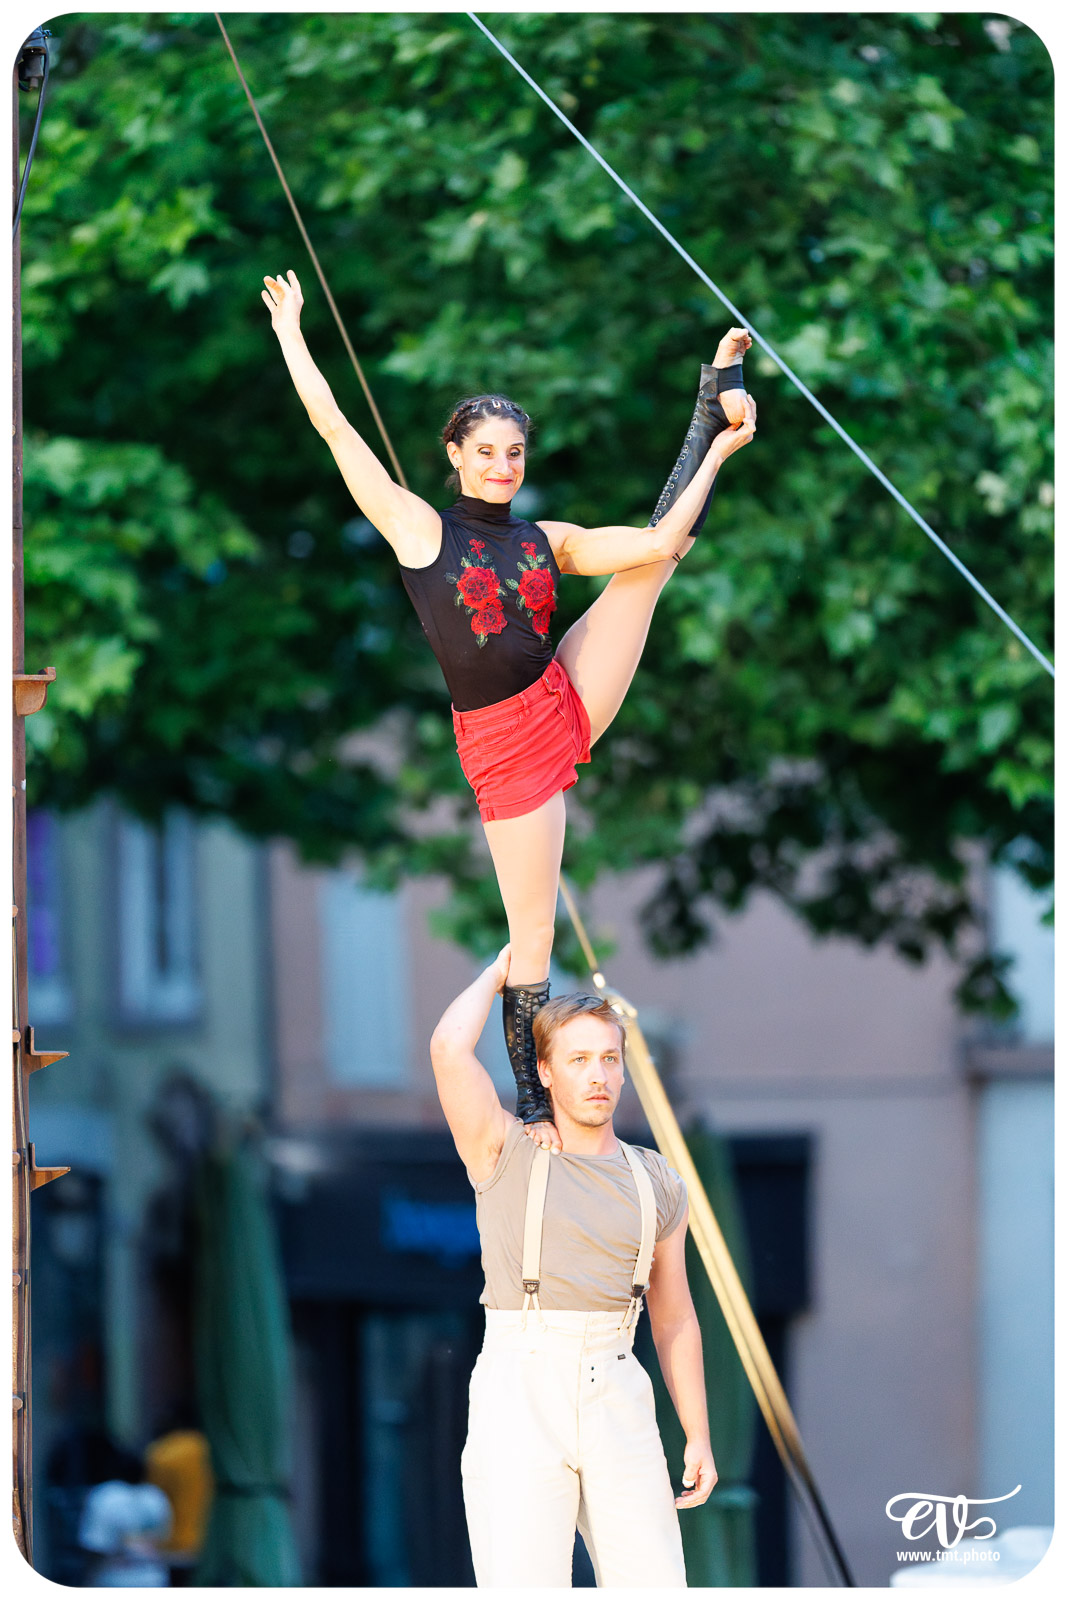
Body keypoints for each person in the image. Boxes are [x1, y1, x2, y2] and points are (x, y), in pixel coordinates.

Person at [263, 270, 756, 1148]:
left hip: (560, 694)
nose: (501, 466)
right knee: (530, 937)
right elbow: (333, 426)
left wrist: (717, 446)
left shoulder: (544, 538)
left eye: (515, 453)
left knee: (652, 568)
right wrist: (293, 334)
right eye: (486, 451)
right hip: (503, 744)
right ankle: (534, 1108)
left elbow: (657, 538)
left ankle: (704, 402)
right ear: (455, 455)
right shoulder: (421, 530)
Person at [429, 946, 715, 1587]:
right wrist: (498, 975)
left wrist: (697, 1433)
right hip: (522, 1383)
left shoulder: (657, 1181)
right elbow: (449, 1050)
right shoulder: (506, 1149)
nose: (598, 1075)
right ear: (546, 1072)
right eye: (579, 1060)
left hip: (618, 1383)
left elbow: (674, 1319)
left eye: (609, 1059)